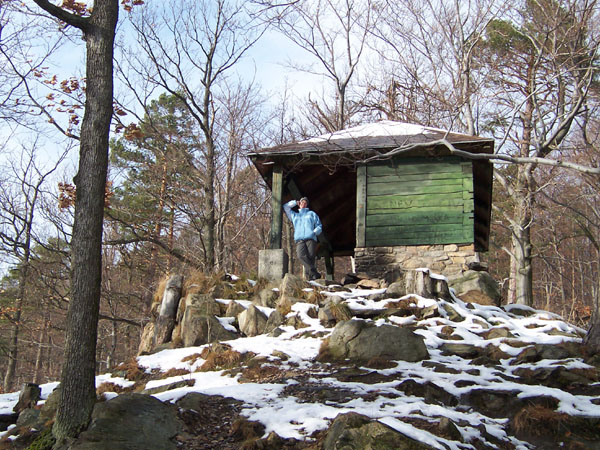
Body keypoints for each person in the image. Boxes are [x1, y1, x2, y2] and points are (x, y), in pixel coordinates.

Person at [283, 197, 323, 280]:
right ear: (299, 204)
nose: (303, 204)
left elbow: (319, 225)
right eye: (301, 202)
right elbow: (285, 207)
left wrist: (314, 232)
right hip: (299, 240)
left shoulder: (311, 214)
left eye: (305, 203)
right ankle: (314, 272)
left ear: (307, 205)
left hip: (311, 239)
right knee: (301, 256)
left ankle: (311, 279)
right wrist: (294, 202)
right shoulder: (294, 215)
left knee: (311, 257)